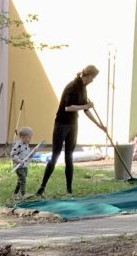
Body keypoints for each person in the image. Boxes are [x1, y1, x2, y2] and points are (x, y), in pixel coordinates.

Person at [35, 65, 102, 197]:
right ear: (87, 75)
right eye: (93, 77)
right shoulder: (71, 87)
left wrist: (99, 124)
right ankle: (41, 188)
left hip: (73, 124)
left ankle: (69, 190)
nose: (93, 80)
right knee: (55, 155)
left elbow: (86, 110)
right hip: (61, 124)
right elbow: (68, 108)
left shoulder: (83, 88)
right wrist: (85, 105)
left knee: (69, 157)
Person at [10, 126, 36, 199]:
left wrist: (33, 152)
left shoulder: (27, 146)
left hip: (25, 166)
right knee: (23, 180)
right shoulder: (18, 145)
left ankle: (15, 194)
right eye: (28, 137)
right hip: (19, 167)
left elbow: (28, 156)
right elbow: (12, 154)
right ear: (22, 137)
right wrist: (18, 160)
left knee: (20, 181)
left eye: (30, 137)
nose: (30, 139)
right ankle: (23, 194)